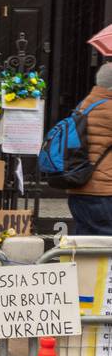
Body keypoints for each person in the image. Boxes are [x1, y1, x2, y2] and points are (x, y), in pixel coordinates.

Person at [67, 62, 112, 235]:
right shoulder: (109, 108)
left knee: (85, 245)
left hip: (79, 187)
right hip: (103, 191)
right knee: (105, 246)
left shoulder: (85, 104)